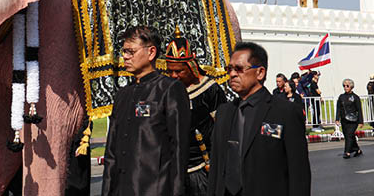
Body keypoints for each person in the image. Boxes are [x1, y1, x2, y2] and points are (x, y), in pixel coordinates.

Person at [207, 42, 310, 196]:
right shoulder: (224, 113)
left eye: (239, 69)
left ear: (260, 73)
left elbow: (298, 173)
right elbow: (216, 168)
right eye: (230, 69)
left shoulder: (285, 112)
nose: (232, 74)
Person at [102, 25, 190, 196]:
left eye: (131, 51)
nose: (125, 57)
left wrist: (177, 191)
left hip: (155, 189)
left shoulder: (169, 89)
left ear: (151, 53)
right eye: (124, 51)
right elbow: (111, 152)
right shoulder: (123, 94)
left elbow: (179, 148)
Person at [164, 27, 226, 196]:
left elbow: (223, 129)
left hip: (202, 168)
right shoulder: (165, 92)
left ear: (191, 67)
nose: (174, 76)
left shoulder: (209, 89)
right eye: (170, 71)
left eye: (179, 71)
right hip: (173, 170)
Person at [334, 79, 363, 159]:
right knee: (348, 135)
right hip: (344, 119)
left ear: (351, 87)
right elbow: (338, 108)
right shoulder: (341, 97)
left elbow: (359, 110)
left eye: (347, 86)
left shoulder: (355, 97)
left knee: (349, 135)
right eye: (344, 86)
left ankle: (347, 152)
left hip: (353, 120)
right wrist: (337, 118)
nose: (345, 87)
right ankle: (357, 150)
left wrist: (361, 121)